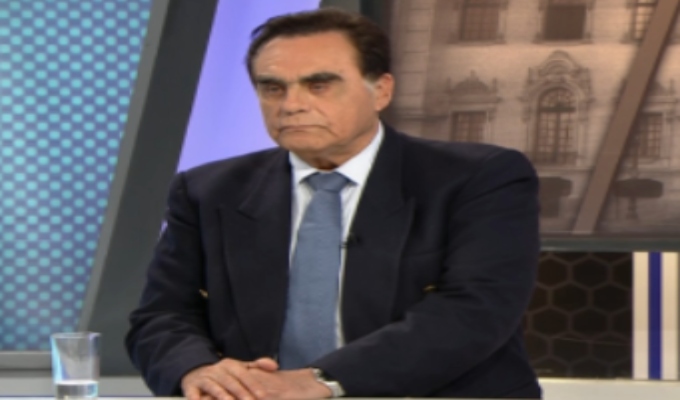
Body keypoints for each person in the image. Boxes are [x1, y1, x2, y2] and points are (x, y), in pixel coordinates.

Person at [126, 8, 541, 399]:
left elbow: (475, 311)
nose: (291, 105)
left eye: (318, 85)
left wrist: (319, 381)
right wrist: (197, 370)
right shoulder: (208, 190)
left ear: (381, 91)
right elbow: (162, 315)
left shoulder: (479, 178)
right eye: (272, 88)